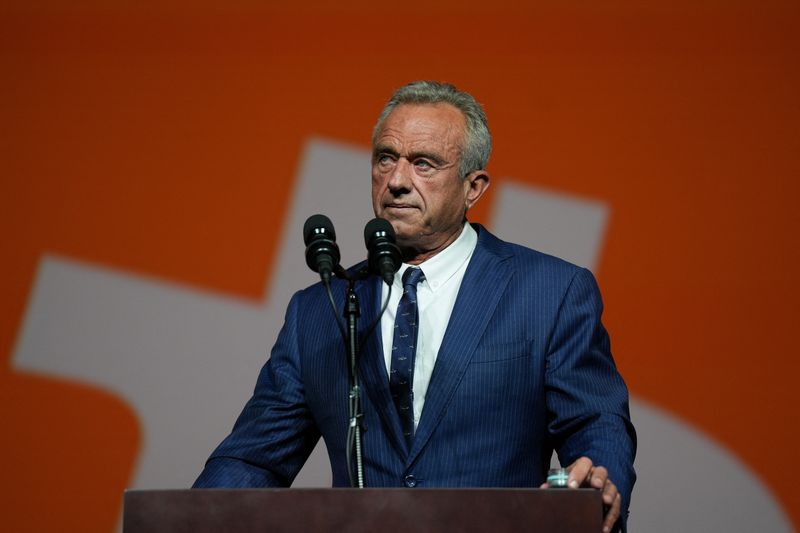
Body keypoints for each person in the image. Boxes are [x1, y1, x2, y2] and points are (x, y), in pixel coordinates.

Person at [193, 81, 636, 532]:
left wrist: (600, 483)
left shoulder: (549, 291)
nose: (398, 181)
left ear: (473, 187)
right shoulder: (320, 309)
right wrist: (189, 519)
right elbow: (255, 459)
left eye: (423, 163)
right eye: (386, 158)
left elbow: (595, 424)